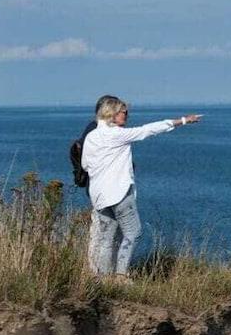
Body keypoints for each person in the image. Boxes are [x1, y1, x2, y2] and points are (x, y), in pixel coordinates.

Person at [81, 95, 202, 279]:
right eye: (123, 112)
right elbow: (149, 130)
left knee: (106, 239)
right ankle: (121, 275)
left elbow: (85, 165)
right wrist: (184, 120)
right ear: (112, 114)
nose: (127, 115)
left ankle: (102, 279)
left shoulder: (91, 137)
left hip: (99, 196)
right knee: (133, 232)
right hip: (120, 194)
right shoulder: (118, 134)